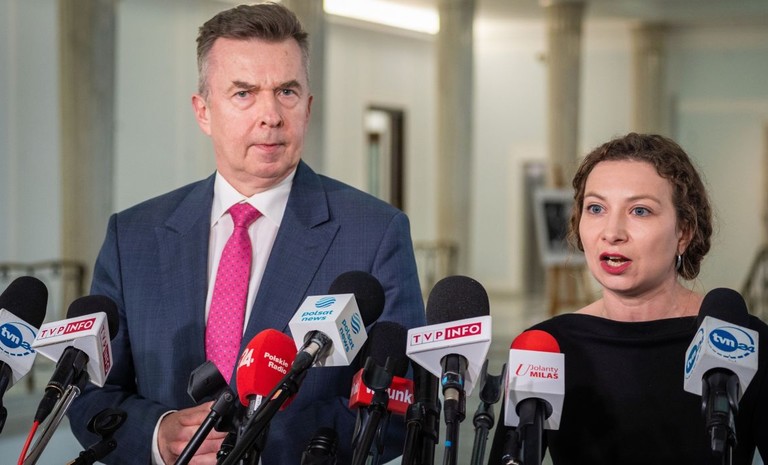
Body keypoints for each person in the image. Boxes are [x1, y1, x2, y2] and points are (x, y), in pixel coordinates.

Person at [66, 3, 425, 464]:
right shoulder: (132, 237)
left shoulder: (374, 234)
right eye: (244, 93)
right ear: (203, 112)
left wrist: (252, 442)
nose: (270, 115)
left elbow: (399, 409)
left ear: (308, 107)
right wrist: (158, 434)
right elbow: (88, 392)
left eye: (287, 91)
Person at [488, 133, 768, 464]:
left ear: (684, 232)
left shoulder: (740, 340)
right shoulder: (545, 347)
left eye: (639, 210)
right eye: (596, 208)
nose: (612, 232)